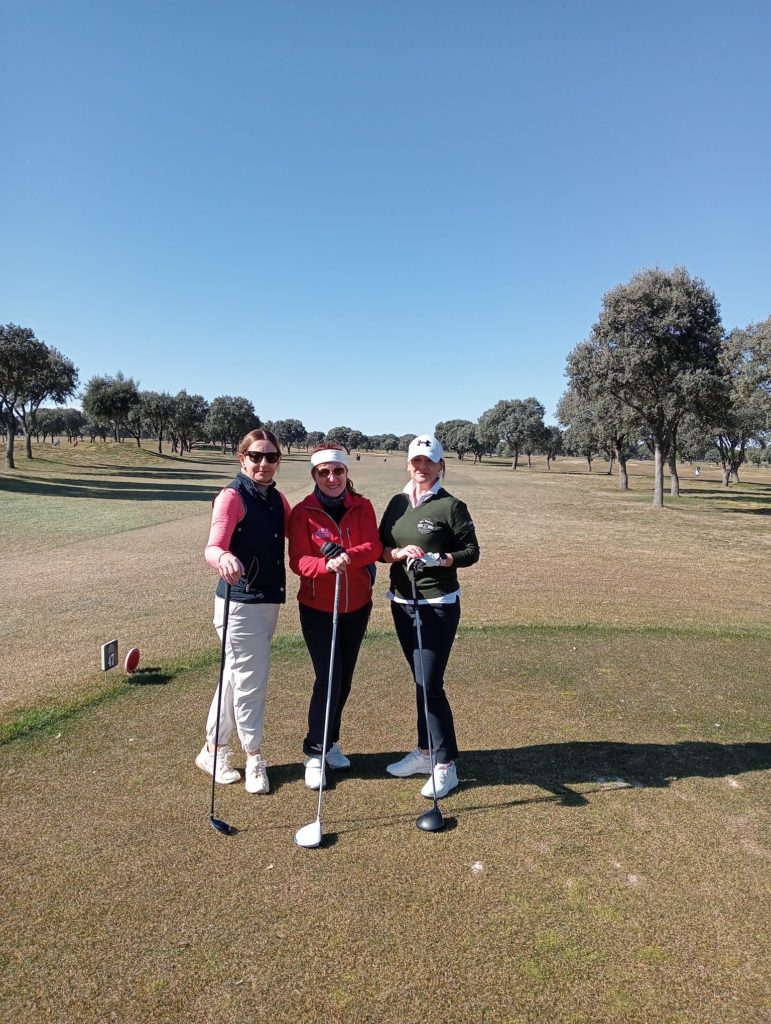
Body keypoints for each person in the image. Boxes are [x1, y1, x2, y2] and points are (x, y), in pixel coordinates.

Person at [379, 434, 480, 799]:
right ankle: (425, 752)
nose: (422, 468)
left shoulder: (452, 506)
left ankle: (445, 764)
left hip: (437, 605)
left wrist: (440, 559)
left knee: (430, 684)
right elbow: (380, 547)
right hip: (402, 603)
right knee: (421, 682)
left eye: (429, 462)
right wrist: (397, 553)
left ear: (441, 465)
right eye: (416, 461)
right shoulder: (397, 502)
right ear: (409, 464)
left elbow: (471, 551)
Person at [198, 428, 291, 795]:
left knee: (235, 679)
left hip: (266, 602)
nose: (263, 463)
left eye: (270, 457)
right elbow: (212, 547)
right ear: (242, 459)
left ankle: (213, 750)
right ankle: (254, 756)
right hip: (239, 605)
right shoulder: (231, 497)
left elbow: (298, 532)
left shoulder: (276, 499)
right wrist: (223, 557)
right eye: (256, 456)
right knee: (251, 682)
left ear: (278, 461)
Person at [289, 444, 382, 789]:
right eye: (324, 472)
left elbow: (373, 546)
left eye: (337, 471)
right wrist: (327, 565)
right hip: (317, 608)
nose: (331, 478)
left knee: (344, 680)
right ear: (314, 475)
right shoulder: (303, 513)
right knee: (328, 678)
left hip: (357, 605)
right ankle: (314, 751)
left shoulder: (363, 506)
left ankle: (330, 743)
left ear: (346, 473)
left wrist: (347, 556)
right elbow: (298, 561)